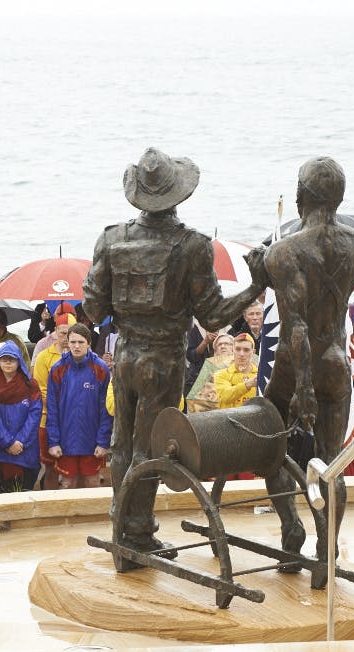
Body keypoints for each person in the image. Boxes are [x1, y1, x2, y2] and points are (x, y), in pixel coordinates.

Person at [83, 147, 273, 565]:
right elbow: (212, 313)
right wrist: (253, 286)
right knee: (150, 447)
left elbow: (93, 309)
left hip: (126, 355)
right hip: (164, 359)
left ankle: (125, 524)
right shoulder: (192, 246)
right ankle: (134, 535)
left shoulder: (111, 239)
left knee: (122, 442)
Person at [225, 156, 354, 585]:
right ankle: (327, 548)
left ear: (303, 194)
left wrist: (302, 385)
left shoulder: (285, 252)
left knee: (267, 443)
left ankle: (292, 529)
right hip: (337, 360)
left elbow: (298, 323)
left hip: (296, 362)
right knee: (330, 463)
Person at [45, 323, 112, 490]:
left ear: (88, 343)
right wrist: (53, 441)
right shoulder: (57, 369)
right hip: (65, 442)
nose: (76, 346)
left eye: (81, 342)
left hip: (92, 442)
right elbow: (51, 409)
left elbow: (107, 409)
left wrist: (103, 442)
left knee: (92, 484)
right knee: (67, 485)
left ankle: (92, 518)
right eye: (72, 342)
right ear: (67, 341)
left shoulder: (101, 369)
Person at [0, 341, 42, 493]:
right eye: (4, 359)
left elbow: (34, 417)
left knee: (25, 492)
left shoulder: (32, 386)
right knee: (2, 493)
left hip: (25, 449)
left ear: (19, 361)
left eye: (12, 359)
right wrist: (8, 443)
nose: (8, 362)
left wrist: (20, 442)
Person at [31, 314, 74, 490]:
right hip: (47, 420)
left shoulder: (81, 355)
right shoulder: (43, 357)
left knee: (71, 469)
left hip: (73, 421)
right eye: (63, 333)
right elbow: (40, 390)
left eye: (70, 334)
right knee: (50, 469)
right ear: (56, 331)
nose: (66, 338)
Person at [185, 333, 236, 412]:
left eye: (226, 344)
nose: (222, 346)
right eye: (219, 345)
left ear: (234, 347)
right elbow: (193, 396)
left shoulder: (245, 361)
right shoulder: (210, 364)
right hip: (215, 407)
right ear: (215, 351)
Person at [213, 333, 259, 409]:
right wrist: (248, 385)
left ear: (253, 352)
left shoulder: (260, 375)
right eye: (238, 349)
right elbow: (226, 396)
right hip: (229, 419)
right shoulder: (221, 374)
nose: (241, 354)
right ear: (232, 350)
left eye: (246, 350)